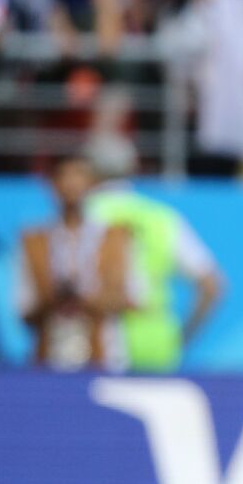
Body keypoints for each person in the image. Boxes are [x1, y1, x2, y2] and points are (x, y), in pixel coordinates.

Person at [86, 156, 224, 373]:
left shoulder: (81, 215)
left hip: (95, 338)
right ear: (132, 168)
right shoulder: (161, 218)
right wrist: (181, 338)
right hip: (154, 338)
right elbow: (212, 286)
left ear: (87, 172)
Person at [17, 155, 139, 372]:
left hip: (105, 357)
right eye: (64, 177)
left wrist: (85, 300)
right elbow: (25, 309)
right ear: (52, 185)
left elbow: (133, 298)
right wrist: (56, 300)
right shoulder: (34, 241)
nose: (72, 185)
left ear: (92, 184)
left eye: (79, 176)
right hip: (49, 357)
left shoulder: (116, 238)